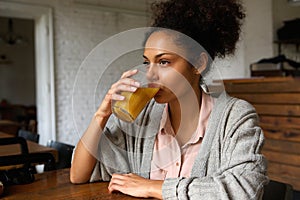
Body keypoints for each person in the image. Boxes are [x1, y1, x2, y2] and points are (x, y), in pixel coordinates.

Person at [70, 0, 269, 199]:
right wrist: (102, 114)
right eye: (147, 63)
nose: (150, 75)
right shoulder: (144, 117)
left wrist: (152, 187)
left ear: (198, 64)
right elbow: (79, 175)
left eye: (164, 62)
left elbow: (244, 190)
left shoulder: (234, 116)